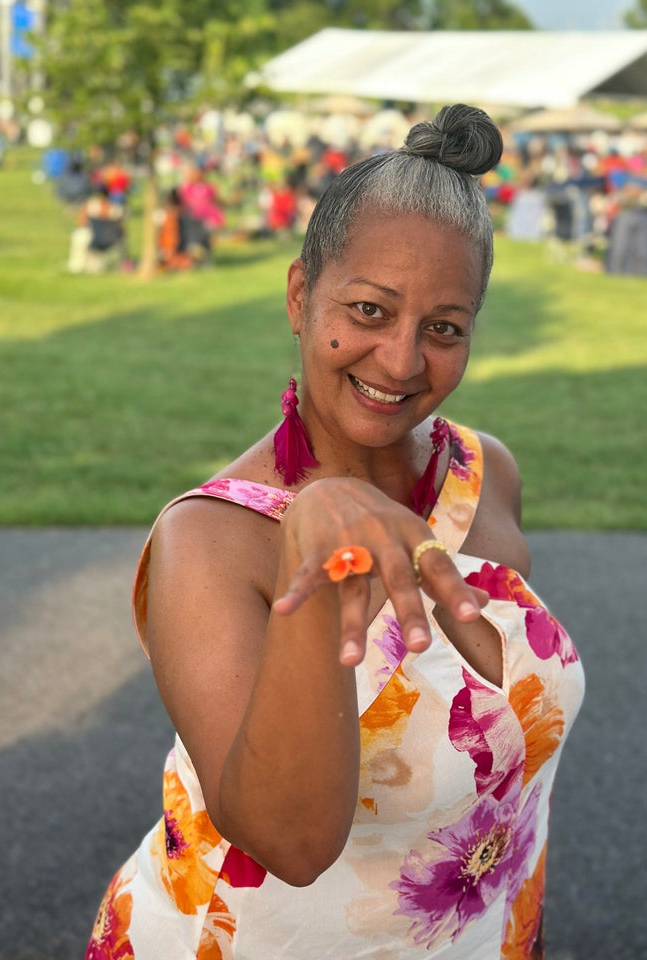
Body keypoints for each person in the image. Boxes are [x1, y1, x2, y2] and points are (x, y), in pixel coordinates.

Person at [86, 104, 584, 959]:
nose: (399, 361)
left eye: (443, 329)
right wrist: (311, 563)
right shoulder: (210, 539)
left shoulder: (484, 472)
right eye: (368, 309)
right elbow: (289, 841)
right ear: (298, 295)